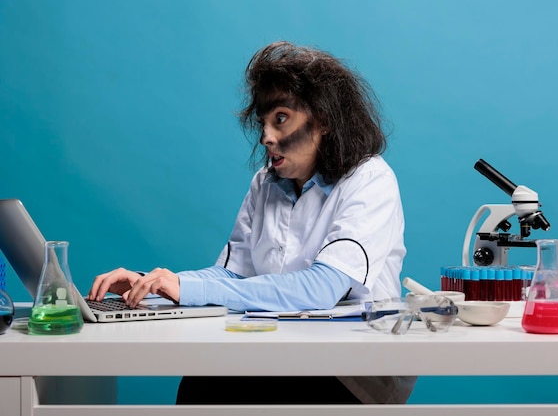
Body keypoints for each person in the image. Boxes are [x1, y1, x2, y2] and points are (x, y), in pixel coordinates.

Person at [87, 40, 417, 405]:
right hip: (278, 352)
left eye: (280, 118)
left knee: (221, 388)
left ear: (323, 119)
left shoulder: (369, 178)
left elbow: (322, 289)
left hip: (347, 371)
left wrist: (190, 290)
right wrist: (157, 283)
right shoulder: (266, 182)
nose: (266, 137)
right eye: (263, 122)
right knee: (201, 383)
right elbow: (232, 273)